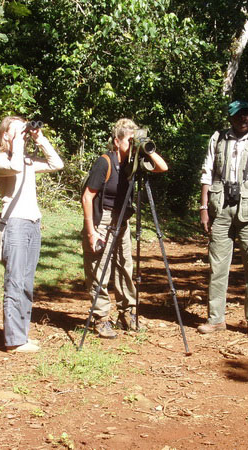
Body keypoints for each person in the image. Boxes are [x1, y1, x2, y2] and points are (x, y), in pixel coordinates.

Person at [82, 118, 168, 339]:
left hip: (123, 219)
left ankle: (127, 312)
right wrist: (91, 231)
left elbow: (163, 167)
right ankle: (101, 317)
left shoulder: (133, 162)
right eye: (130, 140)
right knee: (99, 270)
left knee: (124, 267)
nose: (132, 145)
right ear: (116, 141)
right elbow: (87, 197)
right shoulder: (104, 162)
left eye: (134, 140)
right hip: (103, 219)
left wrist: (146, 149)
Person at [198, 100, 248, 338]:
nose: (243, 119)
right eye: (238, 115)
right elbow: (207, 174)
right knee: (217, 266)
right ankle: (216, 319)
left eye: (246, 114)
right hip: (221, 211)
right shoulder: (217, 139)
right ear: (230, 118)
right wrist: (203, 208)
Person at [0, 116, 64, 352]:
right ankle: (13, 341)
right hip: (15, 224)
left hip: (33, 222)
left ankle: (21, 335)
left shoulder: (26, 159)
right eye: (17, 131)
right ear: (5, 135)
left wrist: (40, 139)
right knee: (15, 281)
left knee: (27, 283)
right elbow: (15, 167)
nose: (23, 134)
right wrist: (19, 142)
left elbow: (56, 164)